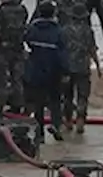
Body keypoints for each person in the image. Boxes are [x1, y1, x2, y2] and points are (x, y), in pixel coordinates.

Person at [23, 1, 68, 142]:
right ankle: (56, 125)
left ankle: (39, 132)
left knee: (39, 103)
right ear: (54, 13)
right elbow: (62, 54)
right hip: (54, 70)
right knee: (55, 100)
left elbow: (25, 43)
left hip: (36, 70)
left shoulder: (32, 29)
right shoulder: (58, 31)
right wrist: (65, 71)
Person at [60, 1, 99, 134]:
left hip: (67, 68)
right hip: (83, 68)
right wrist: (98, 66)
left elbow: (60, 50)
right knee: (82, 96)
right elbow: (92, 49)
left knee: (67, 96)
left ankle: (68, 121)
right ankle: (81, 121)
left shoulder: (64, 30)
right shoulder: (88, 31)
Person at [0, 0, 30, 117]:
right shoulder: (23, 10)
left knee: (1, 80)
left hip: (4, 50)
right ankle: (17, 108)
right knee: (17, 80)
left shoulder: (0, 11)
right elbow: (25, 29)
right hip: (19, 49)